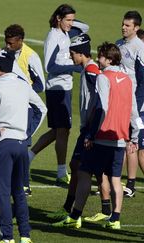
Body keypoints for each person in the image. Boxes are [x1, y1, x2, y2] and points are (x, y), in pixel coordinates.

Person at [53, 42, 139, 230]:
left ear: (109, 59)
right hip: (120, 138)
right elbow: (133, 111)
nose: (98, 60)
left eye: (100, 56)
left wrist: (91, 134)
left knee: (84, 174)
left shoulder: (103, 77)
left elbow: (102, 108)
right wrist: (133, 137)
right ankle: (115, 219)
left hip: (101, 137)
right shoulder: (127, 79)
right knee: (115, 179)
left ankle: (75, 216)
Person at [0, 53, 47, 243]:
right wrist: (28, 132)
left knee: (3, 193)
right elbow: (41, 109)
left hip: (3, 144)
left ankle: (7, 237)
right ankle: (25, 235)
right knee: (19, 191)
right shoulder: (23, 85)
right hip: (21, 144)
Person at [47, 34, 103, 220]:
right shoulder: (88, 69)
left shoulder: (92, 71)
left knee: (87, 169)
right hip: (87, 128)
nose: (70, 57)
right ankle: (74, 208)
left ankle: (78, 213)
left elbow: (101, 100)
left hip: (91, 128)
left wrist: (92, 127)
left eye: (72, 53)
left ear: (81, 53)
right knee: (78, 166)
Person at [28, 4, 83, 187]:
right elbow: (49, 67)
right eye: (68, 19)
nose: (71, 23)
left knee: (59, 130)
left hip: (64, 88)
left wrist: (72, 26)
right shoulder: (53, 36)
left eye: (73, 20)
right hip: (57, 89)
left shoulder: (65, 33)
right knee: (63, 130)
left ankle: (28, 156)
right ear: (58, 18)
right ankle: (61, 172)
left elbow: (84, 28)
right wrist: (74, 67)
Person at [4, 24, 46, 196]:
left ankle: (25, 185)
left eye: (11, 43)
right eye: (6, 42)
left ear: (20, 41)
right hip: (10, 106)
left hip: (26, 108)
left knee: (21, 148)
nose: (7, 46)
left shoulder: (31, 56)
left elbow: (40, 84)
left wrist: (22, 93)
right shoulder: (5, 54)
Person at [116, 11, 144, 198]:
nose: (124, 27)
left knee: (134, 144)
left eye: (128, 25)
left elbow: (143, 80)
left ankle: (131, 185)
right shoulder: (119, 44)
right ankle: (116, 181)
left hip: (136, 105)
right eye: (123, 24)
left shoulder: (139, 48)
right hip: (120, 101)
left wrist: (136, 104)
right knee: (120, 141)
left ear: (136, 28)